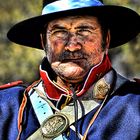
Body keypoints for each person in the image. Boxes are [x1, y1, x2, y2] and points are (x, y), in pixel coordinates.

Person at [0, 0, 140, 140]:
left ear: (106, 40)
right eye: (59, 32)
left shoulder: (136, 105)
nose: (72, 46)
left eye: (84, 31)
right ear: (44, 42)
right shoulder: (7, 107)